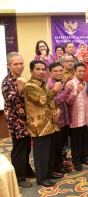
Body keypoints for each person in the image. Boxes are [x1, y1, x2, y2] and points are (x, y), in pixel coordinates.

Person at [23, 60, 63, 187]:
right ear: (31, 71)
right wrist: (55, 90)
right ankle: (41, 178)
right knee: (41, 153)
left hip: (49, 123)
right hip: (39, 126)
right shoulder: (30, 86)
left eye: (42, 69)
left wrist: (57, 110)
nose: (41, 72)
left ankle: (49, 172)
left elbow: (50, 102)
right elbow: (42, 100)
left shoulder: (42, 84)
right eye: (37, 69)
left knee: (49, 151)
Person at [1, 52, 35, 188]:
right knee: (19, 149)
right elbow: (12, 101)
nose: (19, 66)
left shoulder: (19, 77)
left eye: (21, 63)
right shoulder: (7, 82)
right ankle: (19, 178)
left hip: (24, 120)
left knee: (26, 147)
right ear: (9, 66)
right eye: (15, 64)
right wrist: (20, 89)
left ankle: (26, 170)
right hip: (15, 121)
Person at [66, 63, 88, 171]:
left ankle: (84, 157)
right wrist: (76, 92)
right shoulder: (70, 84)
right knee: (76, 141)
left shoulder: (87, 84)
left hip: (86, 117)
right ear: (74, 71)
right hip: (75, 118)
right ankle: (76, 161)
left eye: (84, 71)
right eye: (80, 71)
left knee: (84, 139)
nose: (82, 73)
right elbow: (67, 102)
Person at [47, 62, 73, 173]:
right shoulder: (50, 85)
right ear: (50, 72)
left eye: (60, 71)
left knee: (61, 144)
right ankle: (57, 167)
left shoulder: (61, 82)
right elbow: (55, 101)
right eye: (55, 71)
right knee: (57, 146)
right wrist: (67, 90)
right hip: (57, 121)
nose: (59, 73)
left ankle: (60, 164)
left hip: (64, 119)